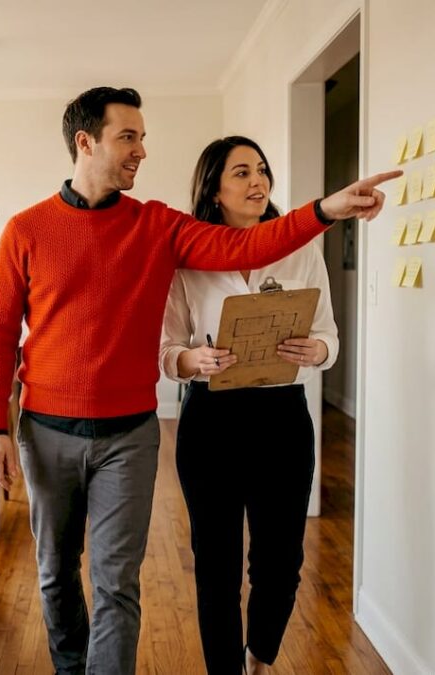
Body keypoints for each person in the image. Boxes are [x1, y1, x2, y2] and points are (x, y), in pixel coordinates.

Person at [0, 87, 396, 675]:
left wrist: (326, 210)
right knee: (54, 575)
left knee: (117, 583)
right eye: (129, 137)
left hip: (130, 434)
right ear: (86, 142)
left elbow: (249, 242)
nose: (142, 150)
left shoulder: (158, 226)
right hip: (46, 431)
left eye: (143, 137)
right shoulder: (25, 230)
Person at [159, 135, 339, 675]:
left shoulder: (301, 249)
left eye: (261, 170)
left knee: (281, 563)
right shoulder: (187, 259)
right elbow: (166, 349)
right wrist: (194, 360)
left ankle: (259, 660)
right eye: (241, 172)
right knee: (216, 567)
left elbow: (329, 335)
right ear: (214, 189)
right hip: (210, 420)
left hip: (283, 419)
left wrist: (317, 350)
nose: (257, 181)